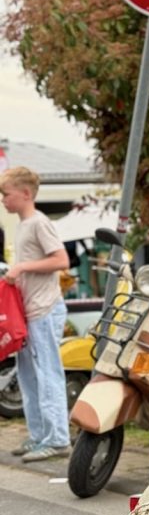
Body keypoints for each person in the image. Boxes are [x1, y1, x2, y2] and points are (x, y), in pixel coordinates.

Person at [0, 166, 71, 460]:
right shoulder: (24, 224)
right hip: (29, 313)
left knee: (47, 374)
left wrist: (21, 268)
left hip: (45, 309)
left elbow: (61, 259)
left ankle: (57, 439)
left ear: (26, 193)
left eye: (6, 194)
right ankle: (39, 435)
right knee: (29, 376)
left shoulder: (39, 222)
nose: (3, 200)